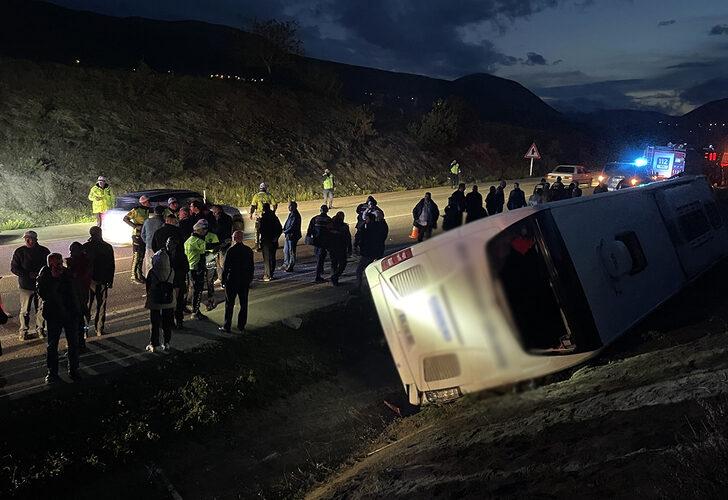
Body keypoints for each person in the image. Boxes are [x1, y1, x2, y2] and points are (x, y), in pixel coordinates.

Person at [37, 253, 81, 384]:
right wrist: (54, 279)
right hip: (54, 315)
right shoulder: (45, 275)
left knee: (73, 343)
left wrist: (79, 310)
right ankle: (52, 373)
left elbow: (74, 292)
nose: (59, 266)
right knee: (52, 345)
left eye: (60, 263)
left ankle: (73, 370)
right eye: (55, 264)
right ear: (49, 264)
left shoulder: (66, 273)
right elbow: (43, 294)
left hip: (70, 313)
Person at [11, 230, 50, 340]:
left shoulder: (44, 251)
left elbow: (49, 267)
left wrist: (41, 275)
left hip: (41, 285)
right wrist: (27, 274)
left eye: (30, 238)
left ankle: (40, 329)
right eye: (26, 238)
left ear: (36, 239)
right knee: (24, 311)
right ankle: (23, 331)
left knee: (41, 309)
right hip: (26, 286)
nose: (27, 240)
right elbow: (14, 268)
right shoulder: (20, 252)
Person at [219, 231, 254, 333]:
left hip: (232, 280)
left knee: (229, 304)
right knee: (244, 304)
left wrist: (223, 280)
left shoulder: (231, 251)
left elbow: (226, 267)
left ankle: (227, 326)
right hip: (244, 280)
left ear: (234, 238)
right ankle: (241, 325)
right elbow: (251, 266)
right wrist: (249, 278)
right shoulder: (248, 250)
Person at [83, 226, 115, 336]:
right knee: (101, 306)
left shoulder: (86, 247)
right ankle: (99, 329)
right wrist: (110, 280)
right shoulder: (107, 247)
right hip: (102, 280)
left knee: (86, 306)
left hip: (89, 280)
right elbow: (112, 265)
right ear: (100, 233)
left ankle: (85, 330)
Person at [144, 249, 175, 353]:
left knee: (154, 322)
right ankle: (167, 343)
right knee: (167, 322)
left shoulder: (152, 272)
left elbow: (148, 286)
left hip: (155, 300)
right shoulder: (171, 271)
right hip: (169, 300)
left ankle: (154, 344)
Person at [66, 242, 92, 350]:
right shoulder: (85, 260)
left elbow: (75, 277)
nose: (71, 253)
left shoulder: (79, 262)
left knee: (78, 318)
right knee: (81, 316)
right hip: (82, 291)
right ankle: (81, 340)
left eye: (73, 251)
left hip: (78, 293)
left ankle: (80, 342)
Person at [184, 219, 211, 321]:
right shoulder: (198, 241)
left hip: (190, 267)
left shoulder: (189, 240)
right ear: (198, 230)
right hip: (197, 268)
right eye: (204, 229)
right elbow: (209, 250)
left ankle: (186, 307)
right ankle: (195, 312)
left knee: (191, 289)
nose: (206, 231)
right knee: (198, 291)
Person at [355, 213, 388, 291]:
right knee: (373, 269)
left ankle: (360, 287)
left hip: (369, 253)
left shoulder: (368, 228)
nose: (365, 220)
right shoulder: (379, 226)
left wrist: (357, 244)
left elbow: (362, 237)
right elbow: (384, 233)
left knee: (359, 270)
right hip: (377, 252)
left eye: (366, 219)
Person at [123, 195, 151, 284]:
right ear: (143, 203)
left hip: (143, 236)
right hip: (137, 236)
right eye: (147, 201)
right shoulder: (136, 210)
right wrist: (135, 226)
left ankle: (139, 274)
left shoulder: (146, 210)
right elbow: (125, 219)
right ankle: (133, 276)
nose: (149, 203)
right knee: (137, 255)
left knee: (141, 256)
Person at [166, 236, 189, 330]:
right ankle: (178, 321)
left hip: (172, 282)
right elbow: (186, 268)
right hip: (177, 282)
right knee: (177, 303)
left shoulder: (166, 255)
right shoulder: (181, 255)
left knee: (173, 303)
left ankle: (174, 322)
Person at [307, 205, 333, 283]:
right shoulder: (328, 220)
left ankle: (320, 271)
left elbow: (310, 230)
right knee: (321, 258)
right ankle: (318, 276)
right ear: (327, 211)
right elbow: (331, 231)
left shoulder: (315, 218)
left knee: (318, 257)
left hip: (316, 241)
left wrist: (311, 238)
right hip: (324, 242)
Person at [249, 183, 278, 250]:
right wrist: (273, 212)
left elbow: (253, 206)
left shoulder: (256, 196)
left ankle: (257, 245)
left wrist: (251, 213)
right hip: (267, 216)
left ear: (260, 188)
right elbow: (274, 204)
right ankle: (266, 243)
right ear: (266, 188)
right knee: (266, 229)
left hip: (259, 216)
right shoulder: (268, 195)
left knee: (257, 230)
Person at [259, 203, 283, 282]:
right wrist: (276, 238)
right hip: (273, 241)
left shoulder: (264, 218)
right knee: (272, 257)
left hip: (266, 240)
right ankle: (271, 273)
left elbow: (260, 230)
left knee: (267, 259)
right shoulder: (274, 217)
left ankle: (268, 275)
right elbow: (279, 229)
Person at [328, 212, 352, 286]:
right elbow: (348, 238)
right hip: (341, 248)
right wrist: (349, 248)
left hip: (332, 248)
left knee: (334, 263)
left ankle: (334, 278)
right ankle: (335, 277)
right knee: (342, 263)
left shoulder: (330, 227)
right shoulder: (344, 227)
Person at [141, 205, 165, 275]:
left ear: (154, 212)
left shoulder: (147, 221)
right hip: (160, 247)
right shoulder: (162, 222)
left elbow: (143, 234)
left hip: (149, 246)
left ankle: (149, 281)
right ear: (163, 213)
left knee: (149, 265)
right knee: (160, 265)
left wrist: (147, 242)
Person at [211, 205, 233, 280]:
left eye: (214, 212)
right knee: (220, 260)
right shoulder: (228, 217)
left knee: (222, 261)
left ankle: (224, 277)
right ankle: (221, 277)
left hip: (222, 241)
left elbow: (219, 230)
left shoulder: (221, 219)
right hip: (224, 240)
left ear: (218, 211)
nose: (213, 214)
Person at [282, 201, 302, 272]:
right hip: (288, 235)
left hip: (292, 235)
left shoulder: (295, 215)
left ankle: (291, 265)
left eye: (290, 206)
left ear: (294, 207)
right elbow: (287, 223)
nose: (288, 207)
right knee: (285, 250)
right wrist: (284, 229)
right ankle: (286, 263)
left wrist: (285, 231)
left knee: (291, 251)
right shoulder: (291, 214)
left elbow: (292, 226)